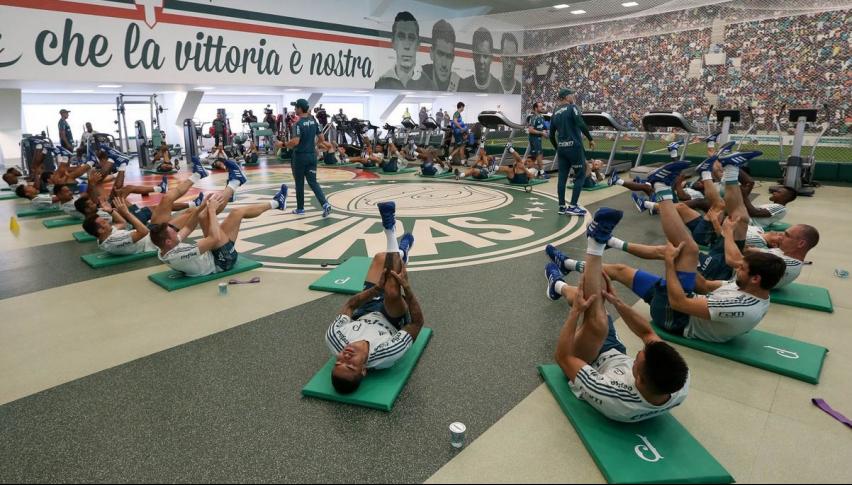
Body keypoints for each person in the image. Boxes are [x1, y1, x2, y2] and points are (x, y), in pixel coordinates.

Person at [547, 158, 787, 343]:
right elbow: (703, 286)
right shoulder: (751, 290)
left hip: (676, 318)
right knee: (624, 269)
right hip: (683, 302)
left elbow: (679, 302)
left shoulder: (741, 306)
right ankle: (561, 277)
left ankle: (659, 188)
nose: (738, 268)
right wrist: (687, 267)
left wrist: (673, 265)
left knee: (687, 249)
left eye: (743, 269)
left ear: (756, 278)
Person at [546, 207, 690, 423]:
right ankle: (557, 286)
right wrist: (619, 303)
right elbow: (647, 332)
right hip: (612, 351)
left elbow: (563, 357)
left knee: (597, 320)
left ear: (638, 378)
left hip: (589, 361)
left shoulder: (613, 396)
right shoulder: (679, 382)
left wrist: (575, 312)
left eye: (638, 358)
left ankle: (595, 243)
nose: (638, 353)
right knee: (600, 291)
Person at [325, 201, 421, 394]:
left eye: (339, 362)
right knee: (393, 289)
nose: (345, 357)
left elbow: (350, 305)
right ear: (364, 370)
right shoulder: (386, 354)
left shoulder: (334, 339)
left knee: (379, 257)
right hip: (391, 317)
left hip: (365, 309)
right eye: (350, 365)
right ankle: (390, 230)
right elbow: (417, 324)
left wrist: (375, 290)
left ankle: (402, 252)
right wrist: (408, 289)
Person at [149, 158, 288, 277]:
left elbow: (188, 226)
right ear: (168, 241)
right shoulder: (179, 254)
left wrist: (202, 206)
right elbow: (213, 238)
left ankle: (272, 200)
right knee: (236, 213)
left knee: (203, 215)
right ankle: (237, 184)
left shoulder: (165, 248)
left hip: (212, 253)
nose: (175, 230)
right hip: (222, 261)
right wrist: (211, 210)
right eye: (172, 231)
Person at [277, 99, 332, 217]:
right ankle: (325, 204)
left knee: (299, 183)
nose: (295, 109)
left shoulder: (298, 124)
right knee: (313, 182)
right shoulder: (314, 122)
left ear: (300, 109)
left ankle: (300, 209)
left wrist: (283, 145)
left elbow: (295, 141)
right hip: (312, 156)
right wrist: (314, 146)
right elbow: (321, 139)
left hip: (300, 157)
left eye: (296, 107)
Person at [550, 88, 595, 216]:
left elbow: (551, 134)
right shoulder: (572, 108)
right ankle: (573, 206)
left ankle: (561, 206)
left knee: (562, 178)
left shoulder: (555, 112)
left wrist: (557, 148)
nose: (573, 97)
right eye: (571, 95)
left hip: (562, 149)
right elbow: (580, 123)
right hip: (574, 147)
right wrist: (590, 139)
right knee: (581, 175)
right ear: (566, 97)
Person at [374, 12, 433, 90]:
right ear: (393, 42)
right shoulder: (381, 83)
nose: (407, 46)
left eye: (411, 38)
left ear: (418, 45)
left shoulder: (429, 86)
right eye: (401, 37)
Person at [458, 27, 501, 94]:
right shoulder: (463, 85)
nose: (481, 61)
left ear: (491, 58)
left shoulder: (497, 87)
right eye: (478, 55)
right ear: (473, 57)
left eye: (485, 56)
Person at [421, 20, 460, 92]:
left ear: (453, 58)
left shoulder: (459, 84)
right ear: (432, 54)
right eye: (440, 54)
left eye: (449, 56)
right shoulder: (420, 77)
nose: (444, 64)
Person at [527, 102, 548, 176]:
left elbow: (544, 128)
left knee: (535, 155)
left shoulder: (542, 117)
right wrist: (542, 133)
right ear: (536, 108)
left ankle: (530, 170)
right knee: (539, 154)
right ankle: (542, 172)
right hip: (534, 139)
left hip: (539, 139)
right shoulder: (533, 118)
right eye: (540, 106)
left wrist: (545, 133)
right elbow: (530, 130)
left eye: (542, 106)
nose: (542, 108)